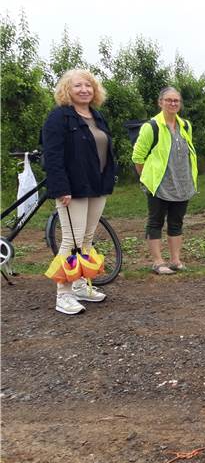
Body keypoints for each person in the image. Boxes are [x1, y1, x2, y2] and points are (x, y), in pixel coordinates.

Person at [42, 69, 116, 314]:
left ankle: (80, 285)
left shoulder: (97, 116)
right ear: (67, 90)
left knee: (85, 240)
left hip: (97, 186)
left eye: (88, 85)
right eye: (77, 86)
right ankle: (62, 294)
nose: (84, 89)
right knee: (71, 242)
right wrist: (60, 188)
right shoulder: (59, 117)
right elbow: (52, 157)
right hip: (72, 189)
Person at [132, 86, 198, 275]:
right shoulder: (151, 126)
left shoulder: (185, 125)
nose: (173, 103)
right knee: (155, 222)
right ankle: (158, 262)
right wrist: (147, 180)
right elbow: (138, 157)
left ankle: (176, 260)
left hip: (183, 182)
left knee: (177, 222)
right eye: (168, 100)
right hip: (159, 185)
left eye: (176, 100)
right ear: (160, 102)